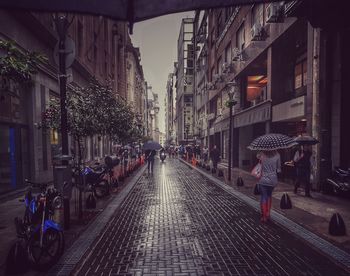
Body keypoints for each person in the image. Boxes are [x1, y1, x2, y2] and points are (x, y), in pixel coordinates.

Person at [256, 150, 281, 222]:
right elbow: (279, 169)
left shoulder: (262, 154)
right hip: (273, 180)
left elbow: (257, 158)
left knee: (264, 196)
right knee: (269, 195)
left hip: (263, 179)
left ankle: (264, 217)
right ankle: (268, 213)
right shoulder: (277, 154)